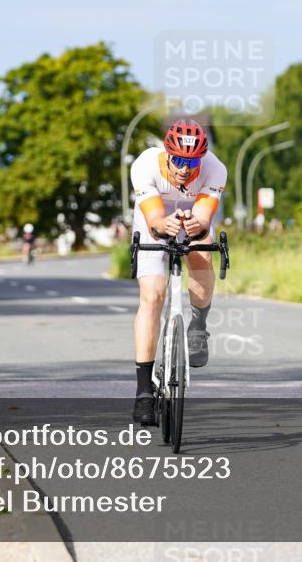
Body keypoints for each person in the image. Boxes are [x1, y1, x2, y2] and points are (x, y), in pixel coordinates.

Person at [129, 118, 226, 425]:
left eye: (192, 162)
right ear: (167, 153)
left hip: (191, 212)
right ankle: (144, 391)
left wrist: (195, 225)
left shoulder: (215, 169)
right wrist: (162, 225)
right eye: (179, 161)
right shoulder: (145, 166)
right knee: (152, 297)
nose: (185, 168)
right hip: (153, 216)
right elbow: (155, 219)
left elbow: (203, 217)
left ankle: (198, 326)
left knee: (200, 253)